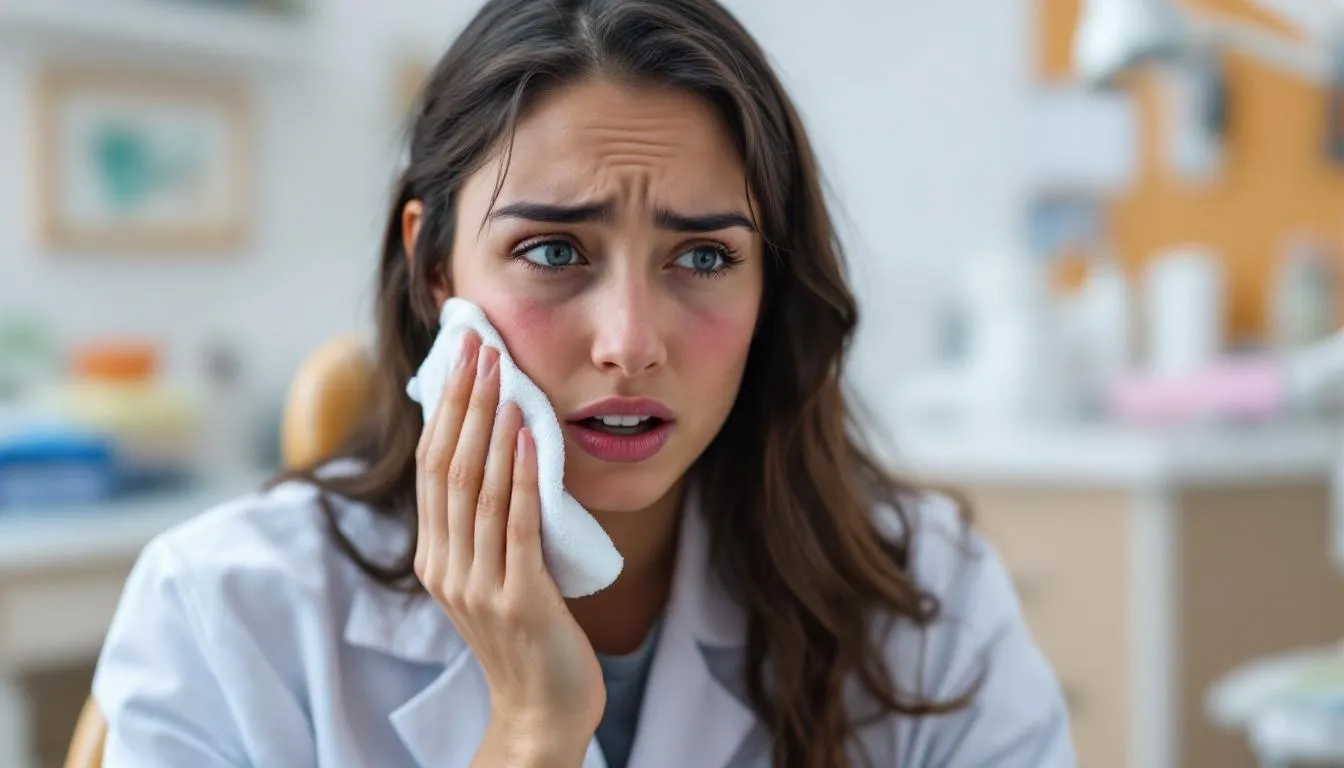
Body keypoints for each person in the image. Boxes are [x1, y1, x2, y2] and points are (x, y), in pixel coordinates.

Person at [91, 1, 1076, 766]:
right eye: (555, 248)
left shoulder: (928, 597)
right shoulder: (223, 612)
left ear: (772, 285)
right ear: (437, 268)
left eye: (702, 258)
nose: (631, 342)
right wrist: (529, 732)